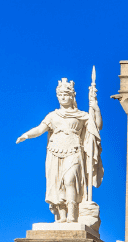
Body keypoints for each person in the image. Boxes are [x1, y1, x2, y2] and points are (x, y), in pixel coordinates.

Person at [16, 77, 102, 223]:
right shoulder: (52, 115)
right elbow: (40, 129)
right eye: (60, 95)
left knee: (69, 180)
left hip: (74, 150)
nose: (63, 97)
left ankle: (72, 216)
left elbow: (97, 126)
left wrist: (95, 107)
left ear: (72, 96)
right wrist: (27, 135)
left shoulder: (81, 115)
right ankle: (62, 216)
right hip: (55, 150)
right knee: (57, 184)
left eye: (66, 94)